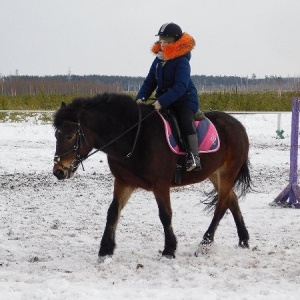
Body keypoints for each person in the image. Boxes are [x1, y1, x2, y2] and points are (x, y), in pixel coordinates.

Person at [136, 22, 201, 171]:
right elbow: (149, 82)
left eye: (166, 41)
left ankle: (194, 157)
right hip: (165, 100)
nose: (163, 44)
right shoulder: (158, 60)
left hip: (184, 100)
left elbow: (181, 86)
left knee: (185, 120)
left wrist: (161, 102)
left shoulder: (182, 61)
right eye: (161, 40)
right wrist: (140, 98)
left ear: (175, 41)